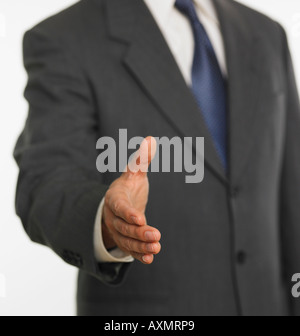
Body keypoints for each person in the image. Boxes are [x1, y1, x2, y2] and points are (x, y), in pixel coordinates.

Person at [14, 0, 300, 316]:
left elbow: (293, 196)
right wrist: (105, 222)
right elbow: (46, 180)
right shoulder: (64, 37)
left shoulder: (268, 34)